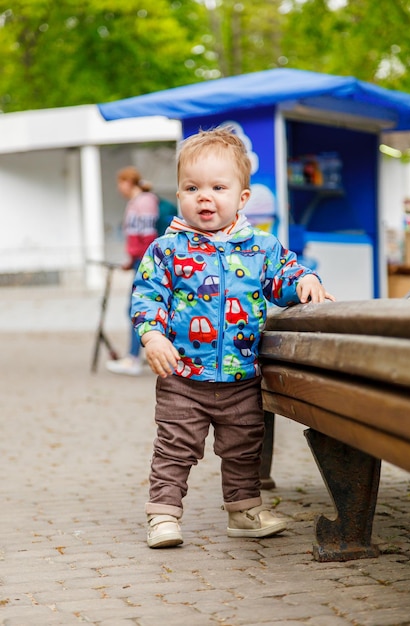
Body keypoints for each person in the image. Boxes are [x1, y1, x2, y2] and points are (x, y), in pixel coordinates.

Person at [130, 127, 335, 548]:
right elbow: (148, 295)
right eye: (192, 187)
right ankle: (164, 515)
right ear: (180, 193)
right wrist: (152, 337)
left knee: (243, 449)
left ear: (242, 198)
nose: (204, 197)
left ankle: (243, 511)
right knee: (175, 447)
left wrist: (306, 280)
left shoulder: (260, 247)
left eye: (218, 187)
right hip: (182, 376)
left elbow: (283, 278)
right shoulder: (167, 250)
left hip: (241, 375)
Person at [106, 166, 159, 377]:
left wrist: (143, 262)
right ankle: (135, 356)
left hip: (145, 263)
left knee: (136, 309)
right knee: (136, 309)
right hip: (138, 261)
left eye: (120, 182)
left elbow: (147, 236)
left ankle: (133, 358)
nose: (119, 188)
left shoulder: (144, 202)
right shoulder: (138, 202)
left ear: (128, 182)